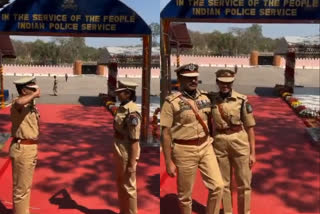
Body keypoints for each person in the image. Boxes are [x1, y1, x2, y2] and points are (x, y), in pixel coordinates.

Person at [160, 63, 224, 214]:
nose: (193, 81)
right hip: (184, 150)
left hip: (205, 146)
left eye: (195, 78)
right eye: (189, 78)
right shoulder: (171, 102)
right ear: (180, 80)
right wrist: (168, 162)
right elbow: (166, 133)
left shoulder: (206, 98)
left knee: (218, 186)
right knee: (185, 196)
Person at [209, 69, 256, 214]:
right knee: (224, 183)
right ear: (217, 82)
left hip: (239, 142)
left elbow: (249, 127)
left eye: (228, 83)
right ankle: (227, 211)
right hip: (219, 142)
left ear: (232, 83)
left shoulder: (241, 100)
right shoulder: (211, 99)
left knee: (244, 183)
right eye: (222, 82)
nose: (225, 85)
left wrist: (253, 153)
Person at [10, 77, 41, 214]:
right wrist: (34, 94)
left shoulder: (30, 106)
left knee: (25, 187)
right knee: (21, 190)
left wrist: (32, 96)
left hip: (30, 148)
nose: (36, 90)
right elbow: (18, 102)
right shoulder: (17, 103)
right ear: (24, 91)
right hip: (22, 148)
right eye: (32, 88)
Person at [113, 80, 141, 214]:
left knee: (129, 186)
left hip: (127, 151)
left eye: (120, 92)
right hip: (120, 148)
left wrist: (131, 163)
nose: (118, 95)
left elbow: (135, 140)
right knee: (121, 183)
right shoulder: (123, 107)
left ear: (128, 93)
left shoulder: (132, 112)